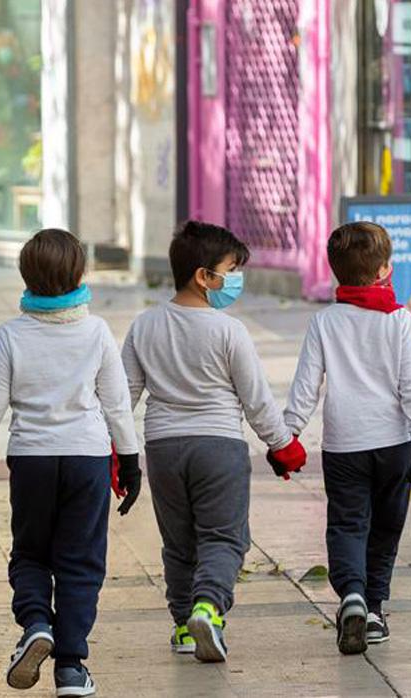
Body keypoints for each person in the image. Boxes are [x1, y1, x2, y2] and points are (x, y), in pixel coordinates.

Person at [0, 229, 141, 697]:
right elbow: (117, 405)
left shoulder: (11, 335)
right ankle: (70, 667)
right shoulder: (96, 332)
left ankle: (34, 624)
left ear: (26, 276)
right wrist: (129, 461)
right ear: (79, 275)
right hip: (87, 459)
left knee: (30, 552)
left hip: (31, 461)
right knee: (81, 561)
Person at [120, 220, 307, 663]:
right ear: (204, 276)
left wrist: (114, 447)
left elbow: (122, 396)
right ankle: (209, 607)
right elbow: (257, 400)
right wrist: (283, 447)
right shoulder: (228, 331)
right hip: (219, 447)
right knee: (224, 538)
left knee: (178, 542)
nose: (236, 279)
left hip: (163, 449)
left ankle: (184, 624)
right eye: (231, 269)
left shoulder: (145, 325)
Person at [281, 221, 411, 655]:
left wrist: (287, 436)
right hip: (395, 444)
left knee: (347, 523)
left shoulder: (325, 322)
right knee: (385, 528)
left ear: (335, 272)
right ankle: (376, 611)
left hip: (344, 445)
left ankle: (352, 596)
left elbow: (305, 388)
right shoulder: (400, 320)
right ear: (385, 269)